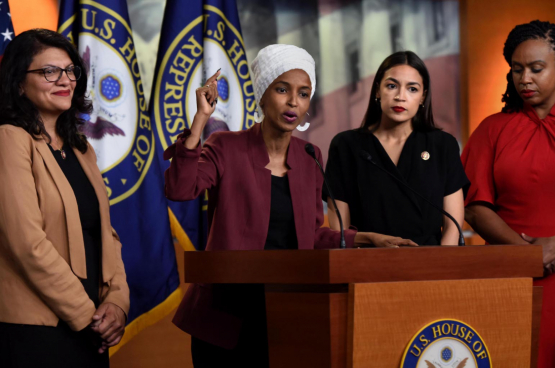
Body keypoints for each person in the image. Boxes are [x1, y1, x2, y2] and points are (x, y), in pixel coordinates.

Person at [164, 44, 400, 367]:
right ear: (262, 95)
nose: (293, 102)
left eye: (304, 94)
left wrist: (366, 238)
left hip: (288, 313)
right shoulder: (226, 146)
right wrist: (199, 122)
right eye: (282, 89)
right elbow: (179, 189)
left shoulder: (310, 156)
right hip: (225, 317)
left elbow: (311, 237)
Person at [0, 29, 129, 368]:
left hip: (91, 327)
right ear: (17, 83)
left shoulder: (81, 150)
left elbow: (106, 235)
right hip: (38, 330)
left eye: (71, 70)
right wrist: (88, 315)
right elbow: (26, 243)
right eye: (49, 71)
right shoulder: (9, 140)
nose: (65, 80)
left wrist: (116, 303)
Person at [462, 20, 555, 367]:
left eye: (536, 68)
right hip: (513, 276)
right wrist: (526, 255)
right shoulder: (493, 129)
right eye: (516, 69)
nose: (524, 79)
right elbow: (474, 206)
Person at [324, 51, 468, 246]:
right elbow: (340, 228)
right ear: (377, 90)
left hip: (431, 264)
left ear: (423, 96)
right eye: (392, 86)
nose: (401, 97)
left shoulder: (443, 145)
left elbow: (453, 224)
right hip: (366, 263)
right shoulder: (347, 145)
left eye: (412, 89)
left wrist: (440, 265)